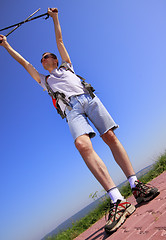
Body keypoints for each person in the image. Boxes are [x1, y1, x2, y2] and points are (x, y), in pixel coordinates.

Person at [0, 7, 160, 234]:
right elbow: (25, 63)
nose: (47, 58)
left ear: (56, 59)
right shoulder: (44, 80)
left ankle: (136, 186)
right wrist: (6, 45)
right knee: (82, 145)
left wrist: (55, 18)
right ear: (43, 64)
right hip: (71, 109)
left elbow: (60, 40)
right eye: (43, 57)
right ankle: (117, 199)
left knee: (110, 137)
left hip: (89, 99)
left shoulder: (67, 67)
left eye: (50, 56)